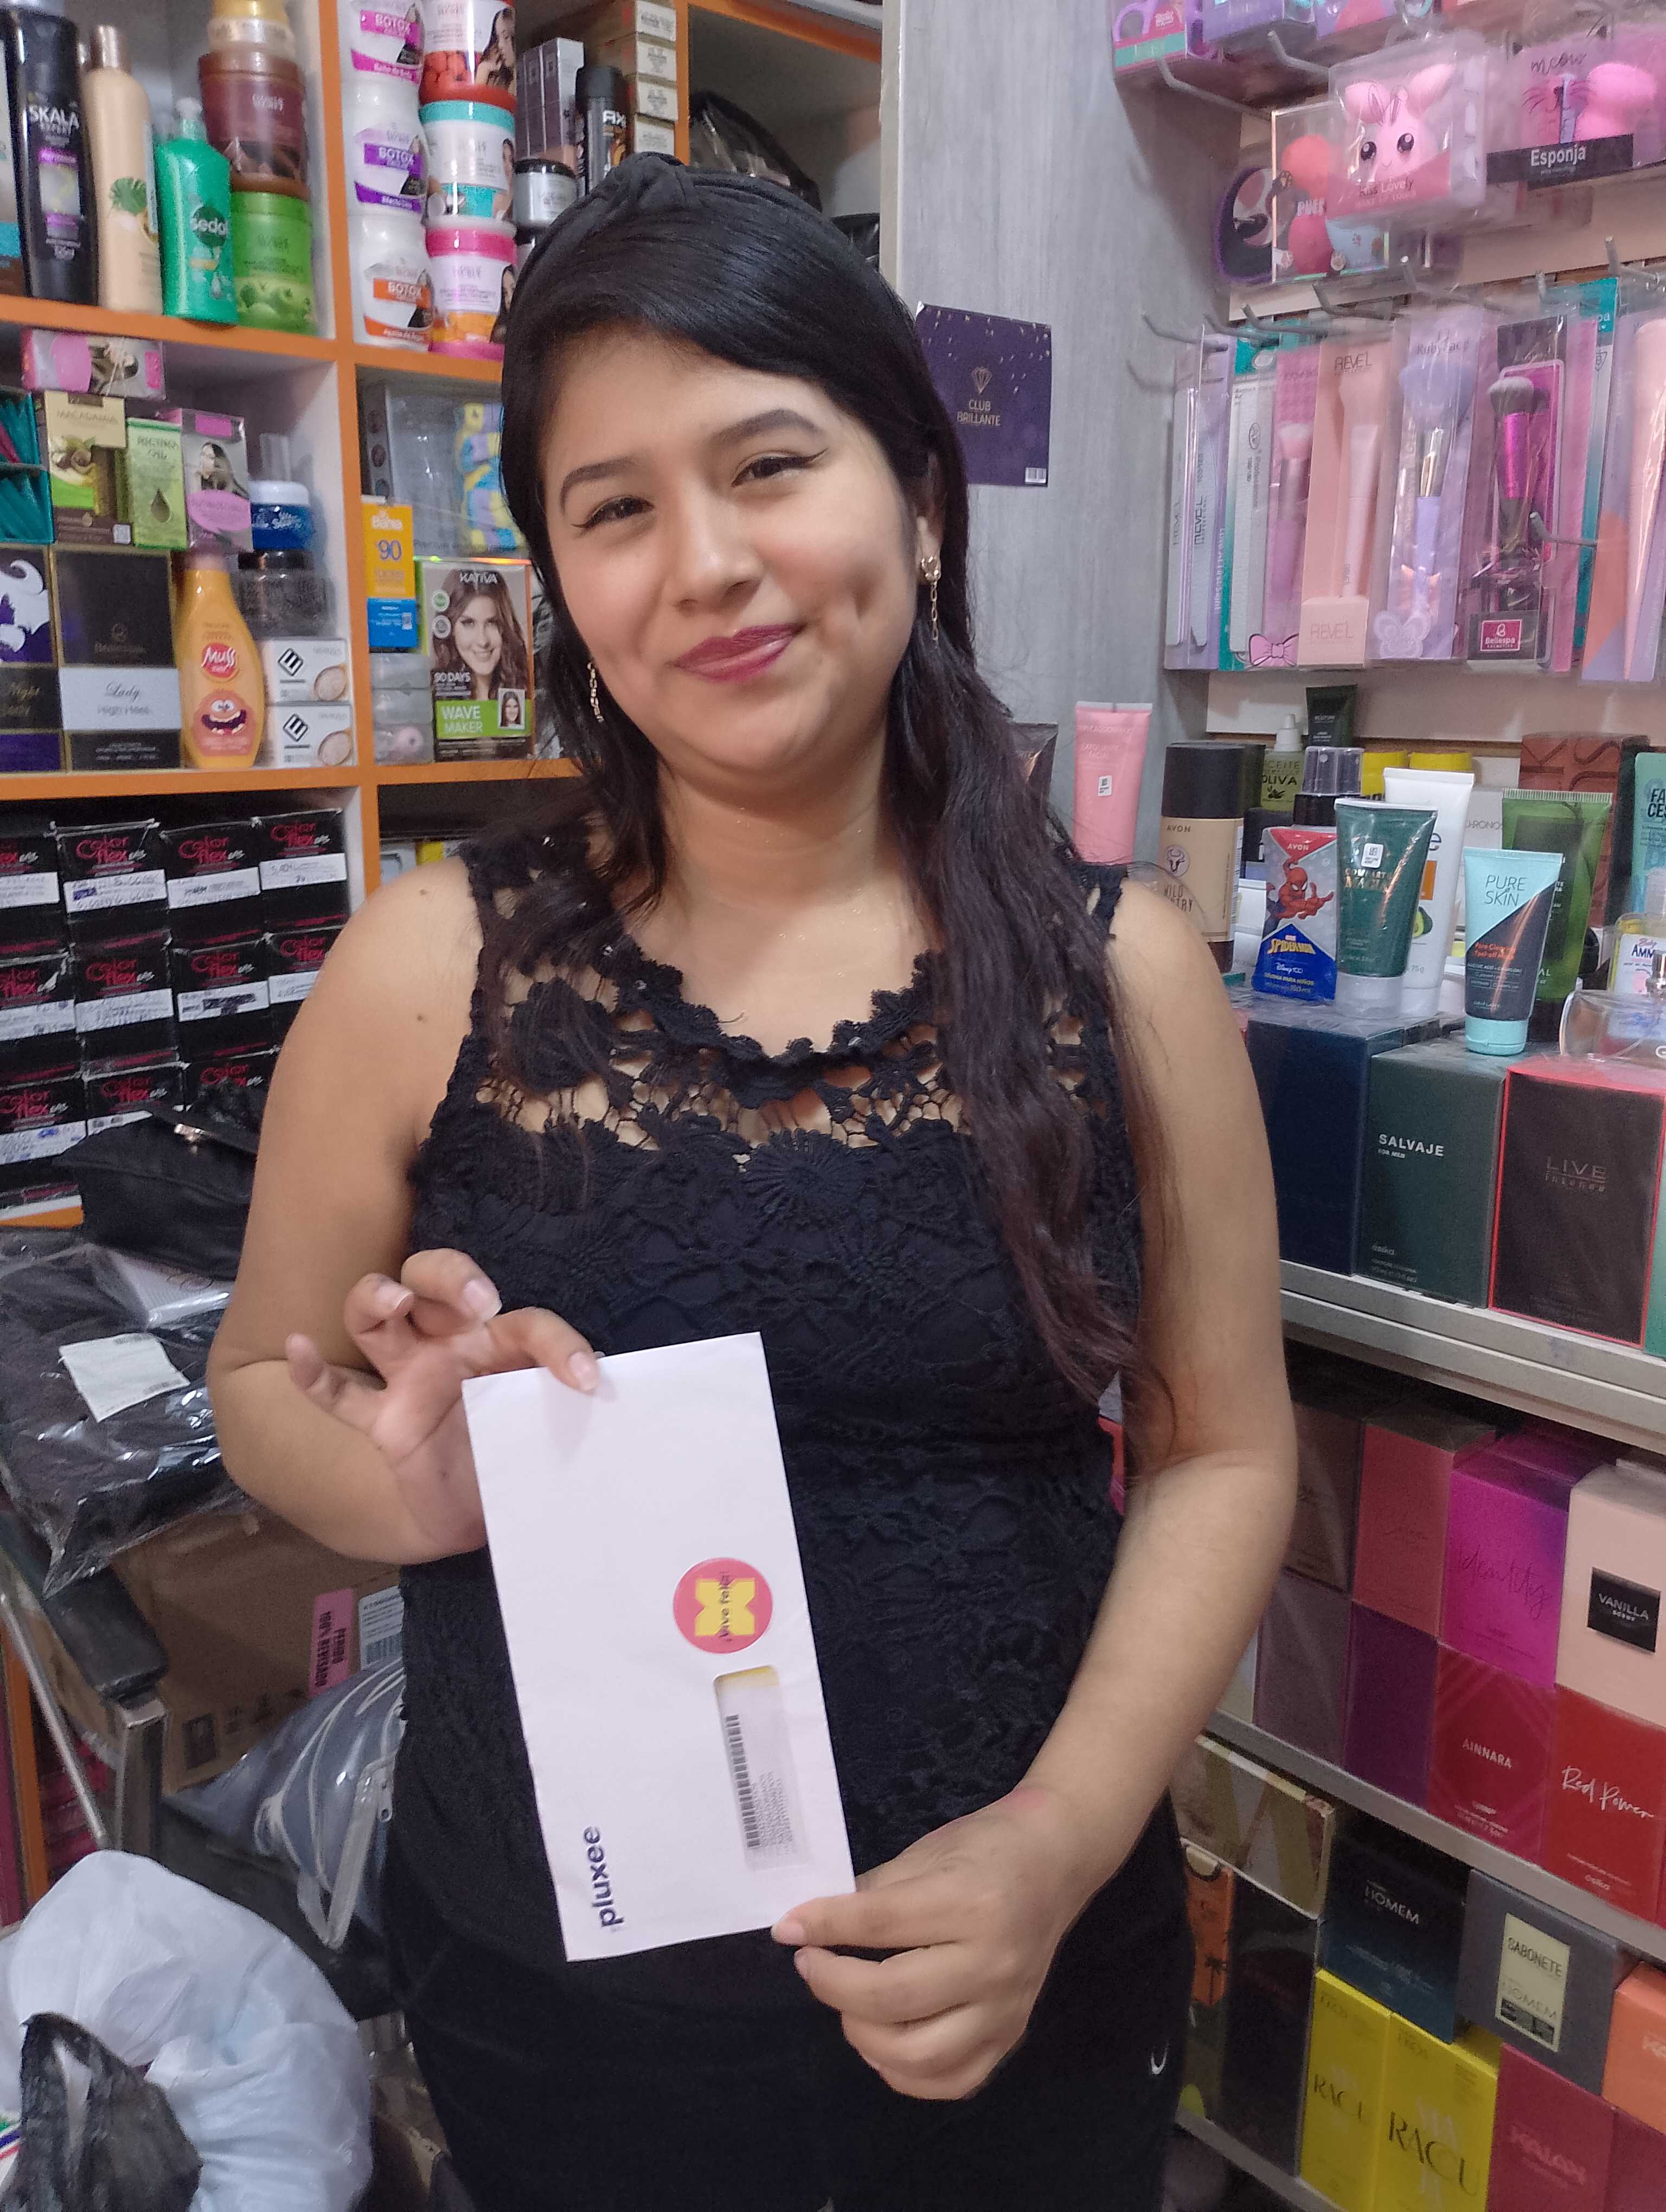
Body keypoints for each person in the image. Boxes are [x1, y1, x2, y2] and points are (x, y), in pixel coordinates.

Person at [208, 156, 1295, 2212]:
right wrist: (414, 1484)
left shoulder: (1127, 975)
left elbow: (1222, 1449)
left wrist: (1054, 1841)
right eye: (615, 507)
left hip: (1024, 1974)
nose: (705, 565)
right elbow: (265, 1377)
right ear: (560, 575)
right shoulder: (427, 967)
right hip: (560, 1983)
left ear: (920, 498)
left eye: (768, 464)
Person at [428, 567, 529, 703]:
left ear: (505, 627)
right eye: (469, 623)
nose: (483, 641)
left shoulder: (530, 689)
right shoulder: (431, 698)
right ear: (451, 630)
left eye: (492, 623)